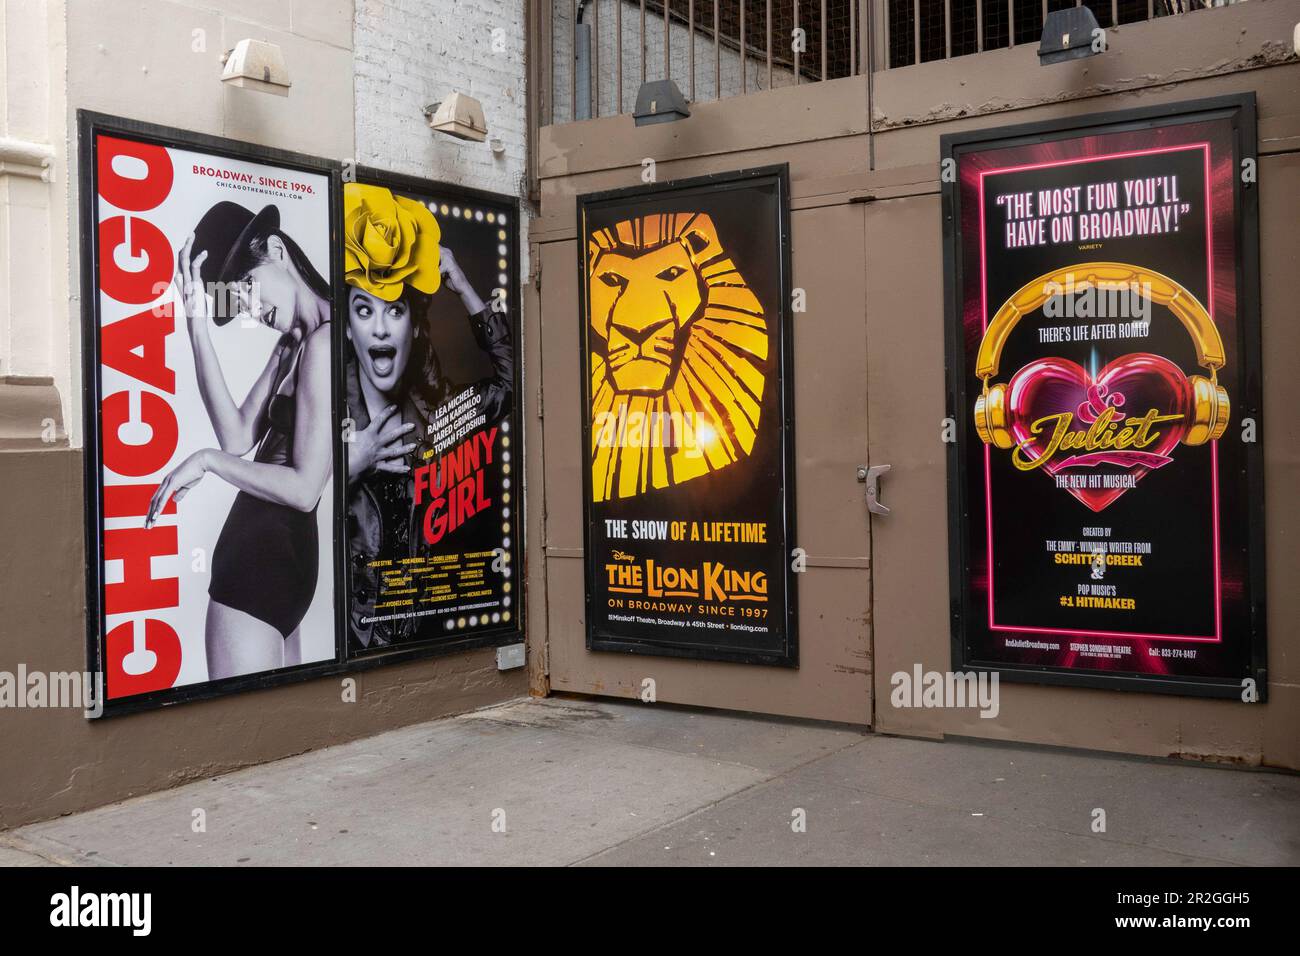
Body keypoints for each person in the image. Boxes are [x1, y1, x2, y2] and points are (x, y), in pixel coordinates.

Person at [145, 201, 333, 679]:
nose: (250, 306)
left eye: (247, 286)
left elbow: (305, 488)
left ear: (275, 249)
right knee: (283, 733)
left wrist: (205, 462)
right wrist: (196, 325)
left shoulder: (326, 342)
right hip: (283, 563)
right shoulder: (297, 342)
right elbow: (236, 436)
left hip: (260, 569)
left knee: (247, 731)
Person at [342, 183, 512, 649]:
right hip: (353, 642)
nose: (379, 326)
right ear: (350, 327)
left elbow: (510, 381)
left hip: (417, 636)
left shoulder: (439, 417)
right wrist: (353, 464)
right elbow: (288, 512)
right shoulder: (325, 417)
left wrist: (458, 281)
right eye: (364, 310)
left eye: (394, 311)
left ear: (413, 327)